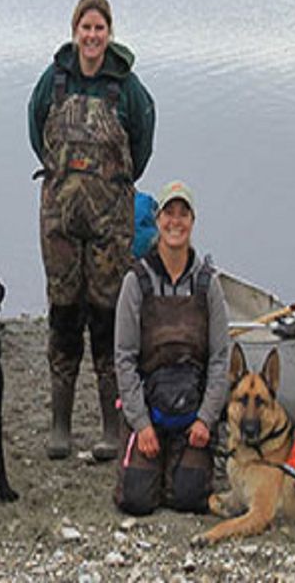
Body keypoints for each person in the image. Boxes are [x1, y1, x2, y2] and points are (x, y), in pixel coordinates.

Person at [28, 0, 156, 461]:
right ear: (74, 30)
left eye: (99, 27)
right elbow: (34, 128)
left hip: (110, 227)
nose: (92, 35)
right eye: (85, 27)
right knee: (63, 316)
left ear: (109, 33)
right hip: (59, 221)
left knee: (107, 319)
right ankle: (60, 424)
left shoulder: (128, 87)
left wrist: (111, 187)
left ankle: (109, 425)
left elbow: (141, 146)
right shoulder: (54, 81)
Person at [113, 181, 230, 515]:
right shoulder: (136, 281)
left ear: (192, 221)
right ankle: (149, 456)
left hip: (192, 413)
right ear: (158, 219)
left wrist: (206, 419)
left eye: (183, 214)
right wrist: (141, 424)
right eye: (169, 213)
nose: (175, 222)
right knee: (135, 502)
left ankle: (181, 461)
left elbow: (221, 358)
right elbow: (123, 357)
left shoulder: (209, 284)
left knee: (190, 500)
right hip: (149, 409)